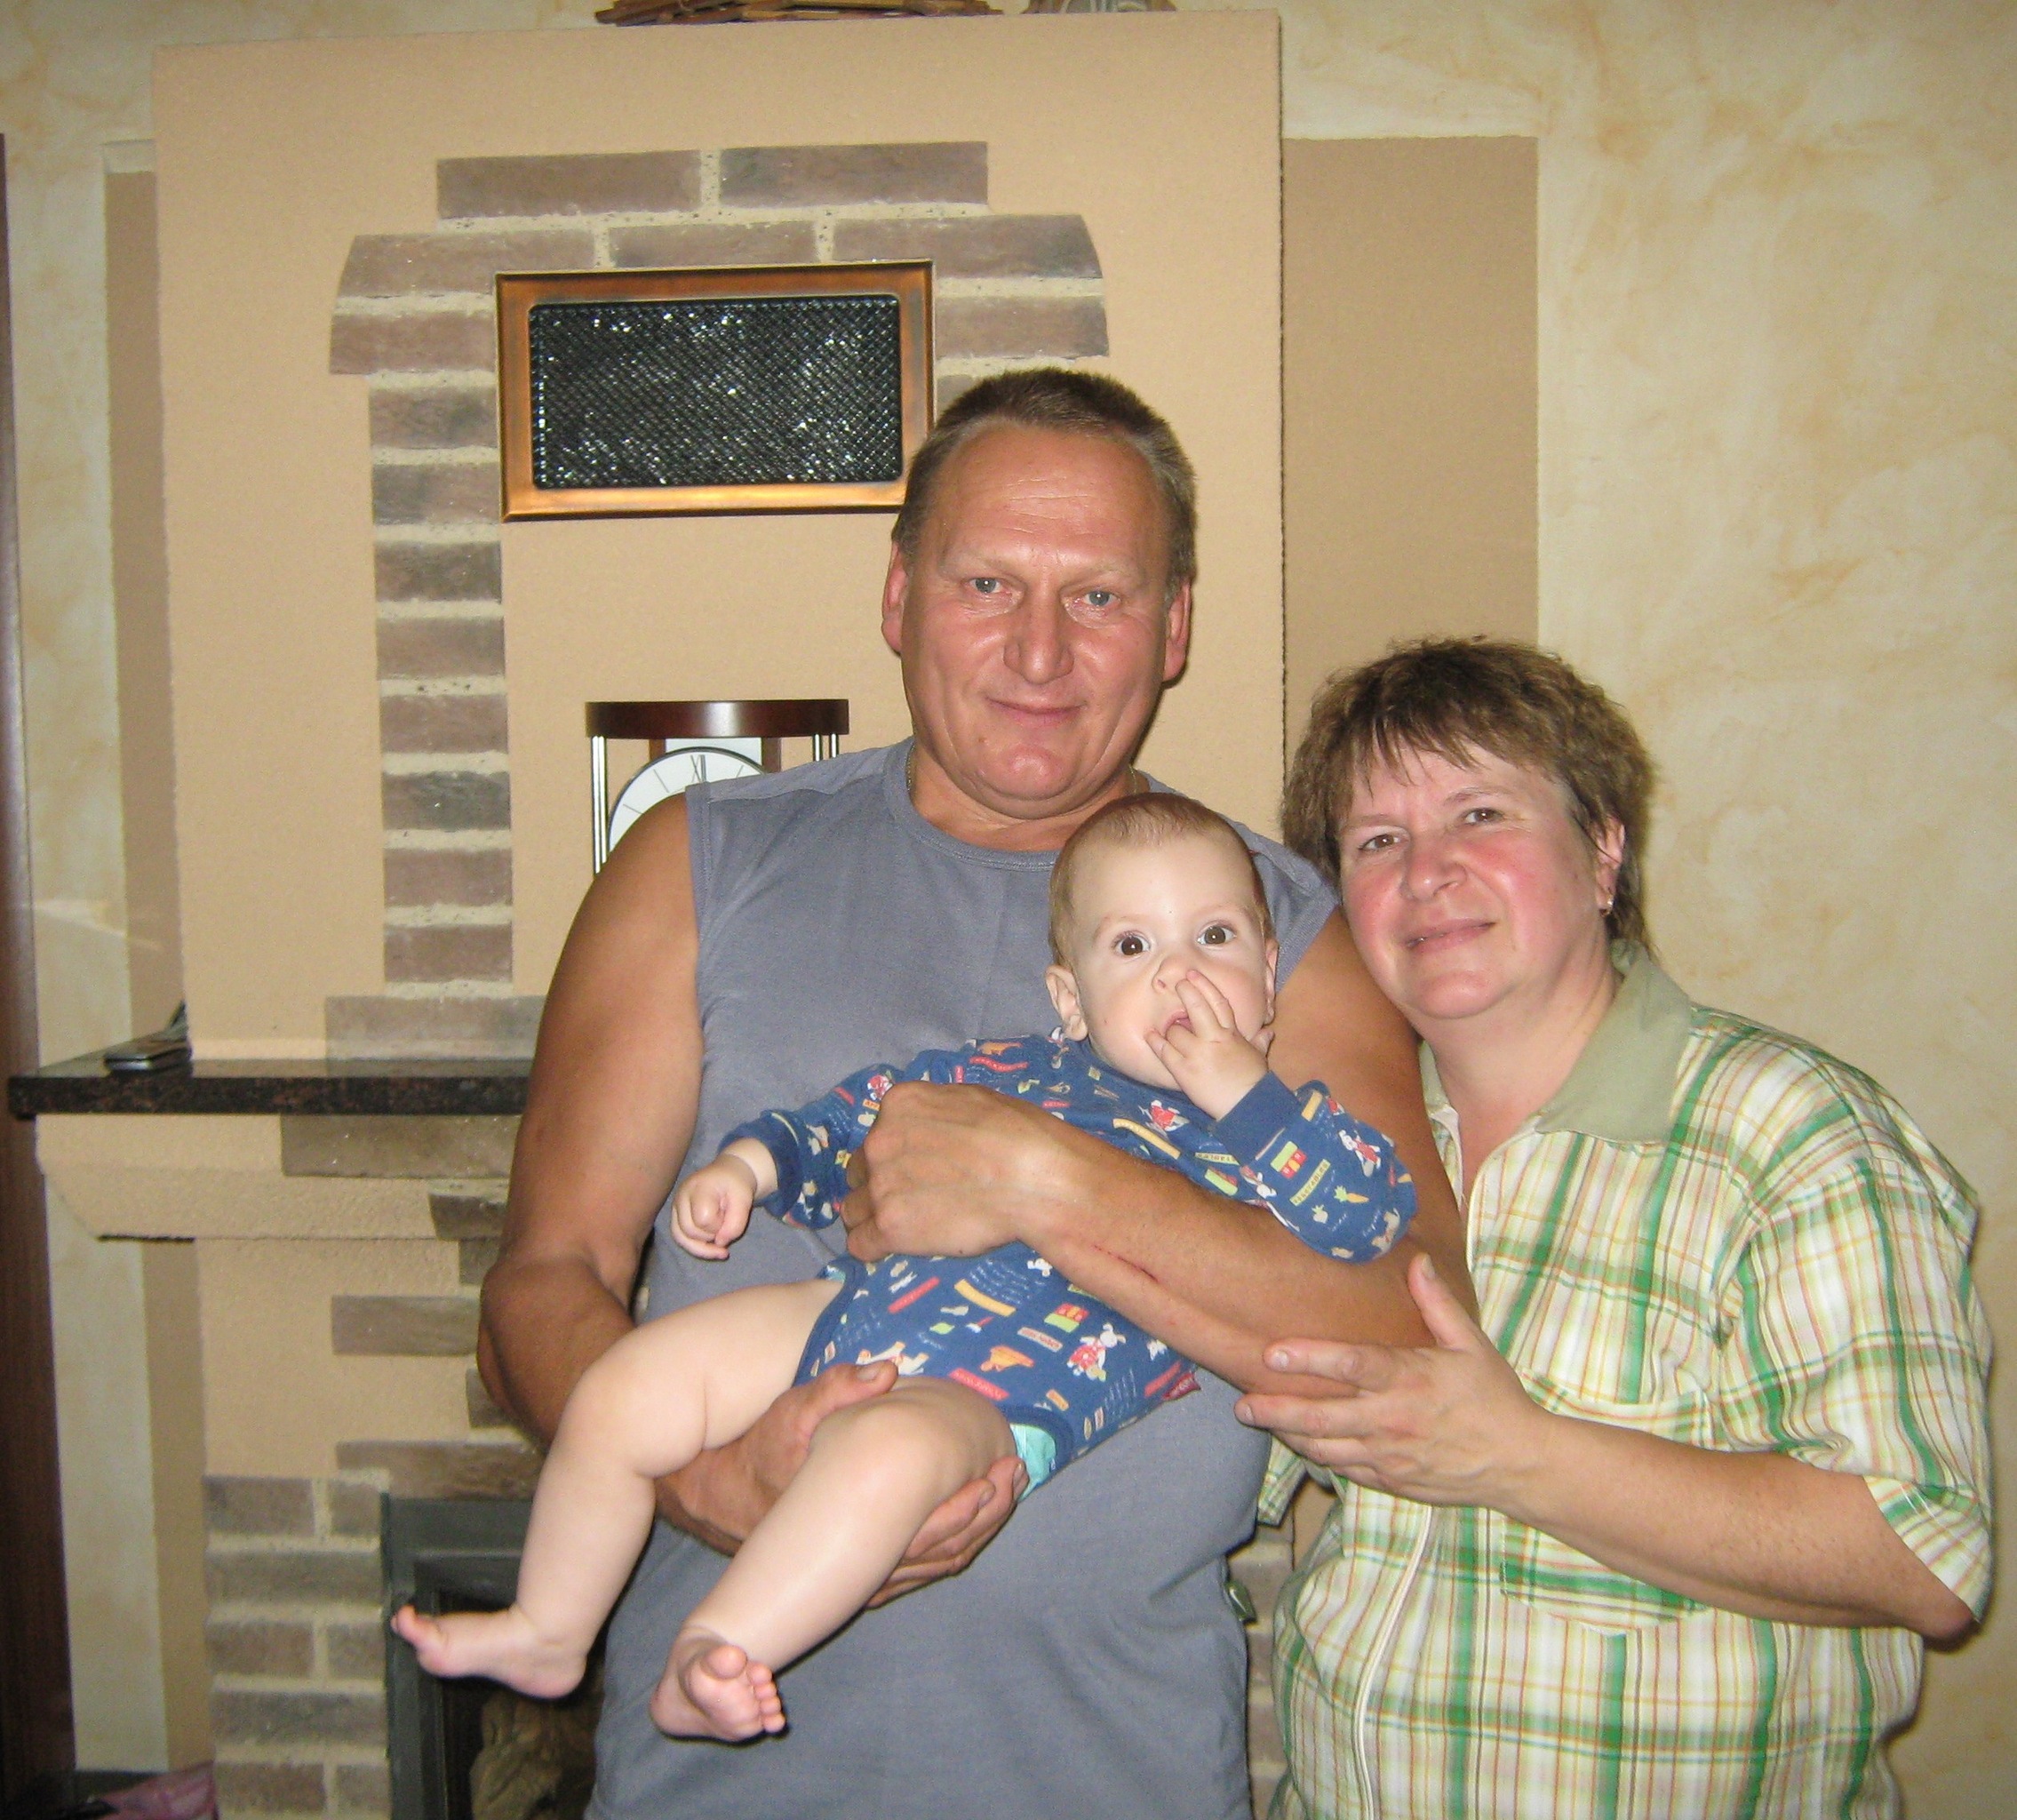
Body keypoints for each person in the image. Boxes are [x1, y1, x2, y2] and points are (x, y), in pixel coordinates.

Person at [478, 369, 1468, 1820]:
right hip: (716, 1784)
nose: (1039, 649)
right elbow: (539, 1281)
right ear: (899, 599)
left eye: (1100, 596)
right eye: (987, 582)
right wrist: (703, 1481)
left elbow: (1412, 1325)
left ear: (1175, 628)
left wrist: (1045, 1183)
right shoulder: (696, 866)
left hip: (1116, 1770)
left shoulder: (1275, 938)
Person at [398, 796, 1414, 1741]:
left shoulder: (1275, 1137)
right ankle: (549, 1624)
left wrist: (1245, 1095)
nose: (1178, 974)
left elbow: (1362, 1217)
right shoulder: (1009, 1070)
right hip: (853, 1308)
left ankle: (717, 1647)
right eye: (1131, 945)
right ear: (1069, 997)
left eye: (1215, 937)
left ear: (1268, 972)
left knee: (879, 1459)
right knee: (634, 1379)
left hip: (1000, 1393)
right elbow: (857, 1116)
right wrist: (747, 1168)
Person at [1240, 637, 1990, 1818]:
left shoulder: (1788, 1130)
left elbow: (1921, 1553)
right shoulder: (1330, 1149)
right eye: (1376, 841)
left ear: (1600, 852)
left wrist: (1516, 1453)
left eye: (1478, 814)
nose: (1425, 872)